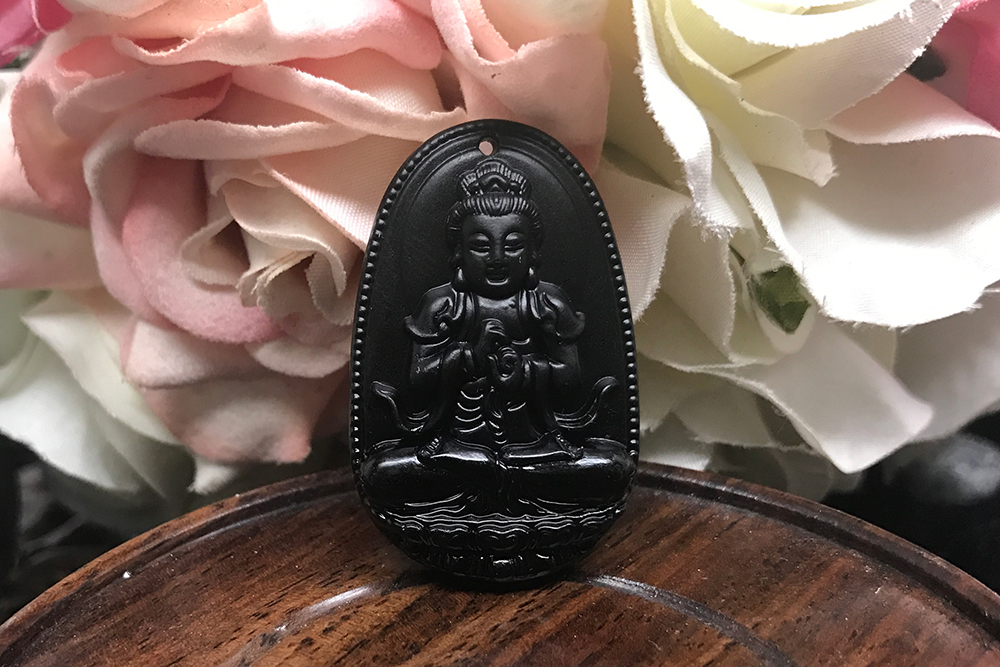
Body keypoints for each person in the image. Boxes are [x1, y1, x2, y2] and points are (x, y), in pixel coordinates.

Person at [362, 159, 632, 515]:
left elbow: (571, 378)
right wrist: (468, 358)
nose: (498, 257)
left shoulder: (547, 303)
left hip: (536, 447)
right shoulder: (441, 305)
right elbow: (418, 379)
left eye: (513, 244)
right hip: (456, 446)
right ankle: (495, 475)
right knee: (379, 473)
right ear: (458, 251)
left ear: (532, 251)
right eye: (480, 245)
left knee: (614, 468)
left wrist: (526, 371)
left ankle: (493, 475)